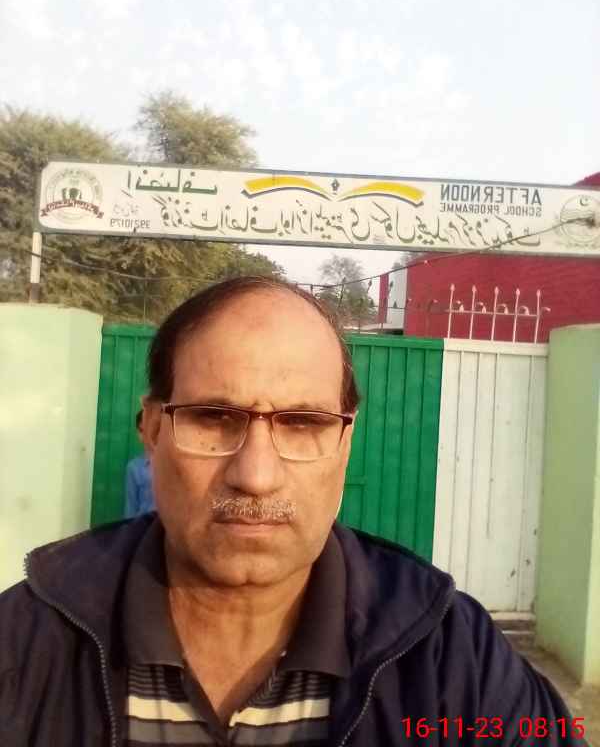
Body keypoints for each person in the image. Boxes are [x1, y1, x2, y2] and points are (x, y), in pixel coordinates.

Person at [0, 276, 586, 746]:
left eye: (303, 423)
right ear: (152, 430)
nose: (256, 475)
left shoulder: (453, 660)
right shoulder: (25, 645)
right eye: (214, 418)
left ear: (345, 444)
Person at [124, 410, 155, 517]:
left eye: (149, 430)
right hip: (144, 524)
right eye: (141, 430)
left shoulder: (172, 465)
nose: (145, 435)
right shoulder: (134, 467)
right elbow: (131, 507)